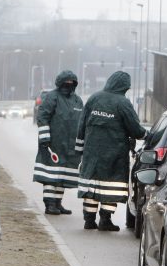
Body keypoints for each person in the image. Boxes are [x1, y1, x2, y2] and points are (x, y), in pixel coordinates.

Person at [75, 70, 146, 231]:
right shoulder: (123, 103)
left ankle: (89, 220)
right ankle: (105, 220)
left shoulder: (94, 98)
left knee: (90, 186)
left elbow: (82, 124)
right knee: (111, 186)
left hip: (91, 153)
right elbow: (134, 128)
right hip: (114, 154)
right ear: (124, 87)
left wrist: (80, 148)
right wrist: (146, 135)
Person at [34, 70, 83, 215]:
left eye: (71, 82)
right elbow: (42, 117)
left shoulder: (77, 100)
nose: (68, 85)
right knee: (51, 175)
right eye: (66, 82)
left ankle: (57, 202)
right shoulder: (52, 97)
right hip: (52, 144)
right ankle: (49, 204)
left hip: (70, 145)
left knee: (63, 175)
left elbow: (82, 121)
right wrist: (45, 138)